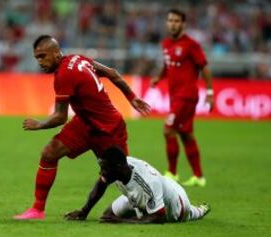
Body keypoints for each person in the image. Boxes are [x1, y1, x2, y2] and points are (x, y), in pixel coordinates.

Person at [13, 35, 151, 220]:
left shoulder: (64, 75)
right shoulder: (78, 59)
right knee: (49, 153)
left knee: (122, 177)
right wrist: (132, 96)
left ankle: (153, 206)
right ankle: (37, 210)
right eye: (37, 57)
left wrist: (39, 125)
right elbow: (113, 73)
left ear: (55, 53)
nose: (40, 62)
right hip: (85, 123)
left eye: (43, 56)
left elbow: (60, 117)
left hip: (109, 129)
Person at [151, 9, 214, 187]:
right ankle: (198, 177)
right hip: (174, 96)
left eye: (177, 21)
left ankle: (172, 173)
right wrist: (158, 77)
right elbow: (167, 65)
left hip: (186, 96)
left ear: (183, 24)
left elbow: (205, 68)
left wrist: (210, 93)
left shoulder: (191, 45)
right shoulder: (165, 44)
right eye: (170, 20)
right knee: (186, 134)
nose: (173, 24)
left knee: (168, 130)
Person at [64, 147, 211, 223]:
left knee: (189, 213)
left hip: (176, 205)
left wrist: (122, 221)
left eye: (105, 168)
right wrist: (83, 212)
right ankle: (140, 212)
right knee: (107, 217)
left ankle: (199, 210)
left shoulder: (146, 183)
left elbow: (157, 217)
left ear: (119, 167)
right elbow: (100, 185)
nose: (102, 172)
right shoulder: (118, 167)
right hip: (157, 189)